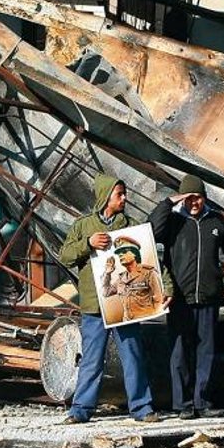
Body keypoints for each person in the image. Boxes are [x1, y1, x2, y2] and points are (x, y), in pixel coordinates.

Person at [58, 173, 160, 424]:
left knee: (132, 356)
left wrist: (161, 289)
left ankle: (142, 408)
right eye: (119, 194)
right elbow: (65, 255)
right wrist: (88, 244)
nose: (124, 198)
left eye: (124, 194)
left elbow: (148, 256)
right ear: (106, 197)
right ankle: (80, 409)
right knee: (92, 359)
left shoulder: (131, 224)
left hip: (124, 303)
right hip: (94, 305)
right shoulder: (83, 226)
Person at [149, 174, 224, 419]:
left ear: (204, 198)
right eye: (189, 198)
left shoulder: (216, 220)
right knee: (179, 352)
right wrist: (170, 201)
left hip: (209, 296)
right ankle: (183, 404)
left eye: (197, 198)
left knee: (206, 351)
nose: (194, 203)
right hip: (180, 297)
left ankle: (203, 401)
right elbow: (152, 229)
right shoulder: (174, 222)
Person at [102, 235, 167, 323]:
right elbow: (105, 293)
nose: (120, 255)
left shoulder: (149, 273)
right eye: (119, 253)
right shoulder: (121, 279)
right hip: (127, 322)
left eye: (124, 251)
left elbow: (159, 300)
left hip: (148, 321)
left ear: (135, 254)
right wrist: (107, 274)